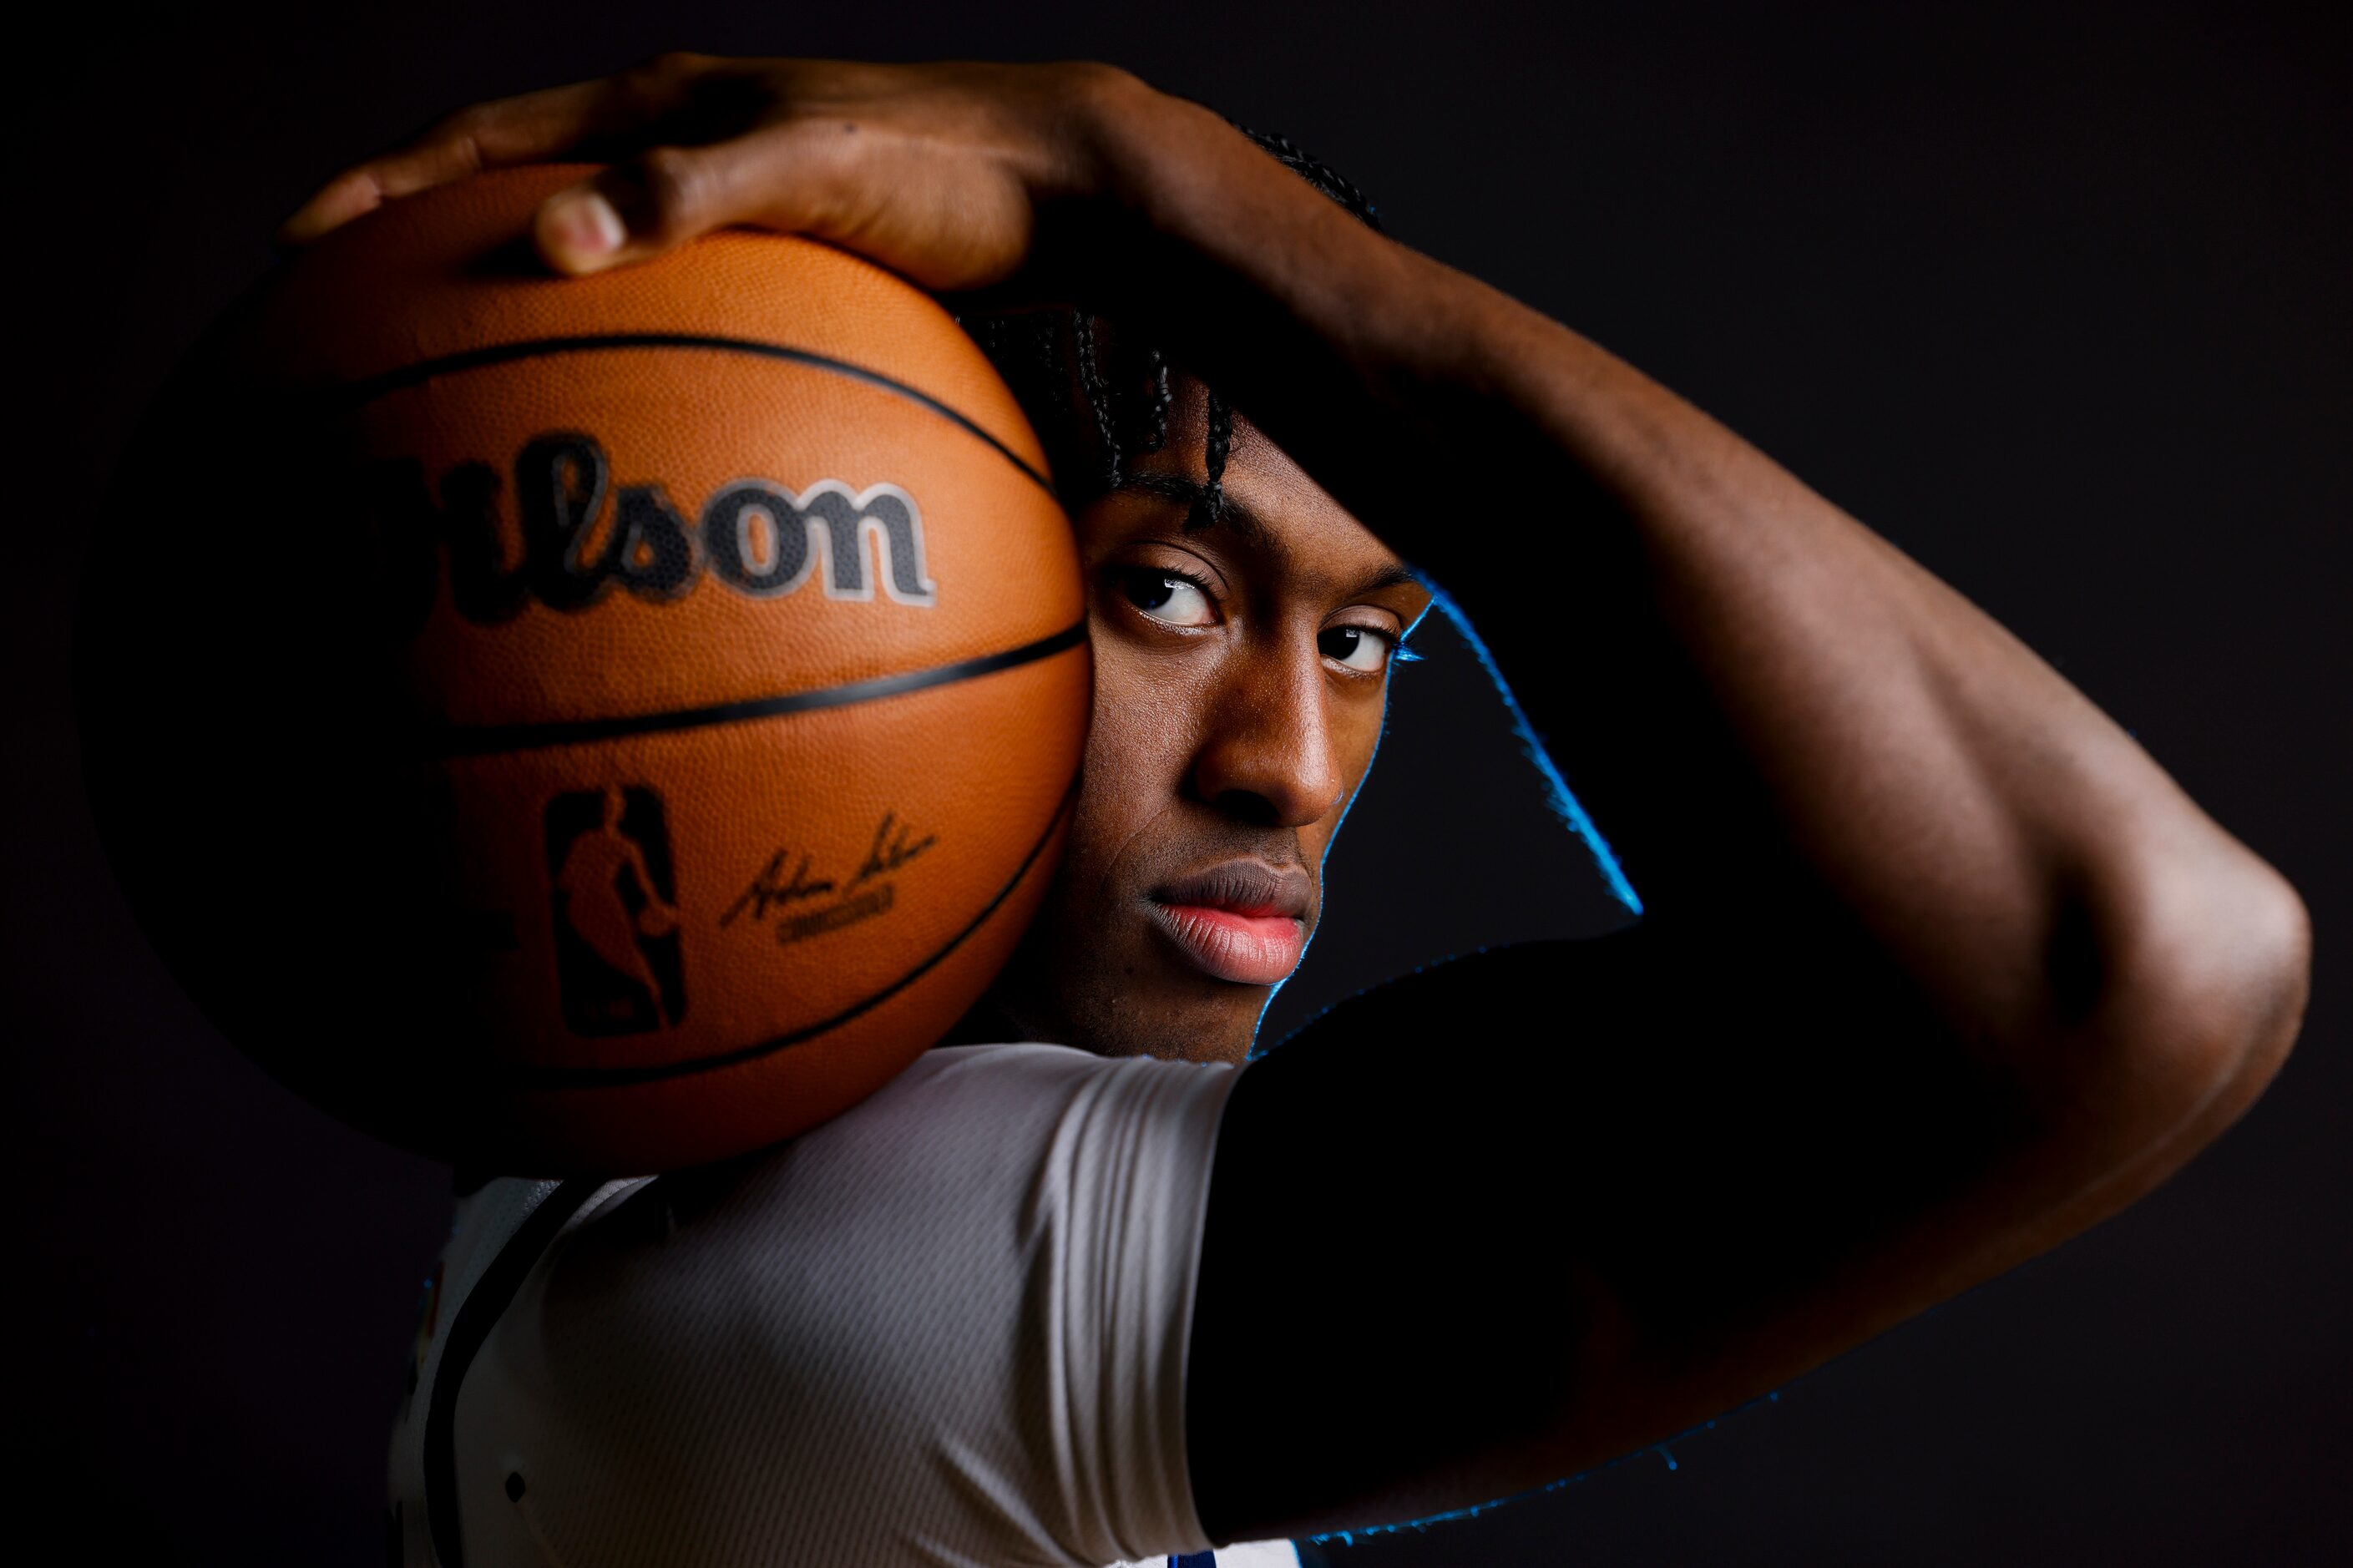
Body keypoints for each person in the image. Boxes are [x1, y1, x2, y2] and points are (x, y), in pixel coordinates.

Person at [281, 55, 2312, 1568]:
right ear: (810, 609)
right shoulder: (812, 1306)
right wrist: (1130, 175)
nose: (1292, 761)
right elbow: (2110, 957)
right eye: (1164, 588)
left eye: (1369, 643)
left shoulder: (603, 1243)